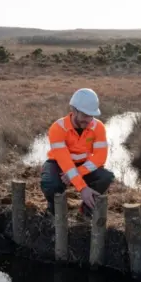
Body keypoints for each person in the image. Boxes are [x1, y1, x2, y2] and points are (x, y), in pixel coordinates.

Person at [40, 88, 115, 217]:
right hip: (58, 164)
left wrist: (77, 173)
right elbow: (64, 160)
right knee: (50, 183)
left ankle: (86, 211)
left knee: (105, 177)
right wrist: (82, 188)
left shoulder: (98, 127)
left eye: (91, 116)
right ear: (73, 110)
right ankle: (54, 210)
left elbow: (100, 158)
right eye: (85, 115)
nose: (88, 120)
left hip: (83, 166)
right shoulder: (58, 128)